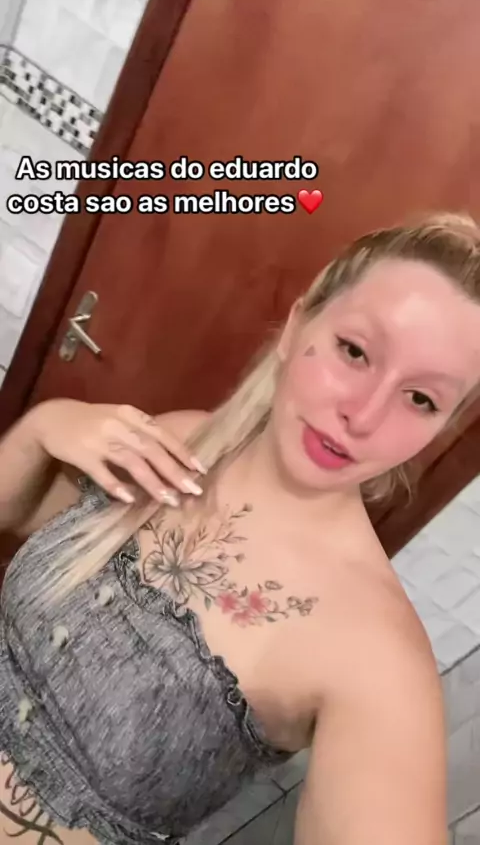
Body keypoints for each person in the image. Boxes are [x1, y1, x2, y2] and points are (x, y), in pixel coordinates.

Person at [1, 212, 479, 845]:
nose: (363, 416)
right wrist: (45, 426)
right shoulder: (177, 440)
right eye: (355, 351)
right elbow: (19, 520)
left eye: (420, 399)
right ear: (298, 325)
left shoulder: (377, 659)